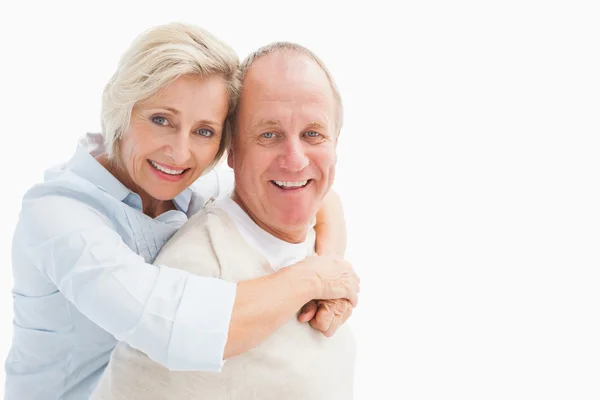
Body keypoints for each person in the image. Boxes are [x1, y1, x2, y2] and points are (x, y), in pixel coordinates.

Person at [5, 23, 359, 400]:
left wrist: (332, 271)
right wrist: (314, 278)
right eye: (161, 120)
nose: (179, 152)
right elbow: (174, 327)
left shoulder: (189, 186)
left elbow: (315, 196)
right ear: (123, 108)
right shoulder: (58, 217)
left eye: (204, 131)